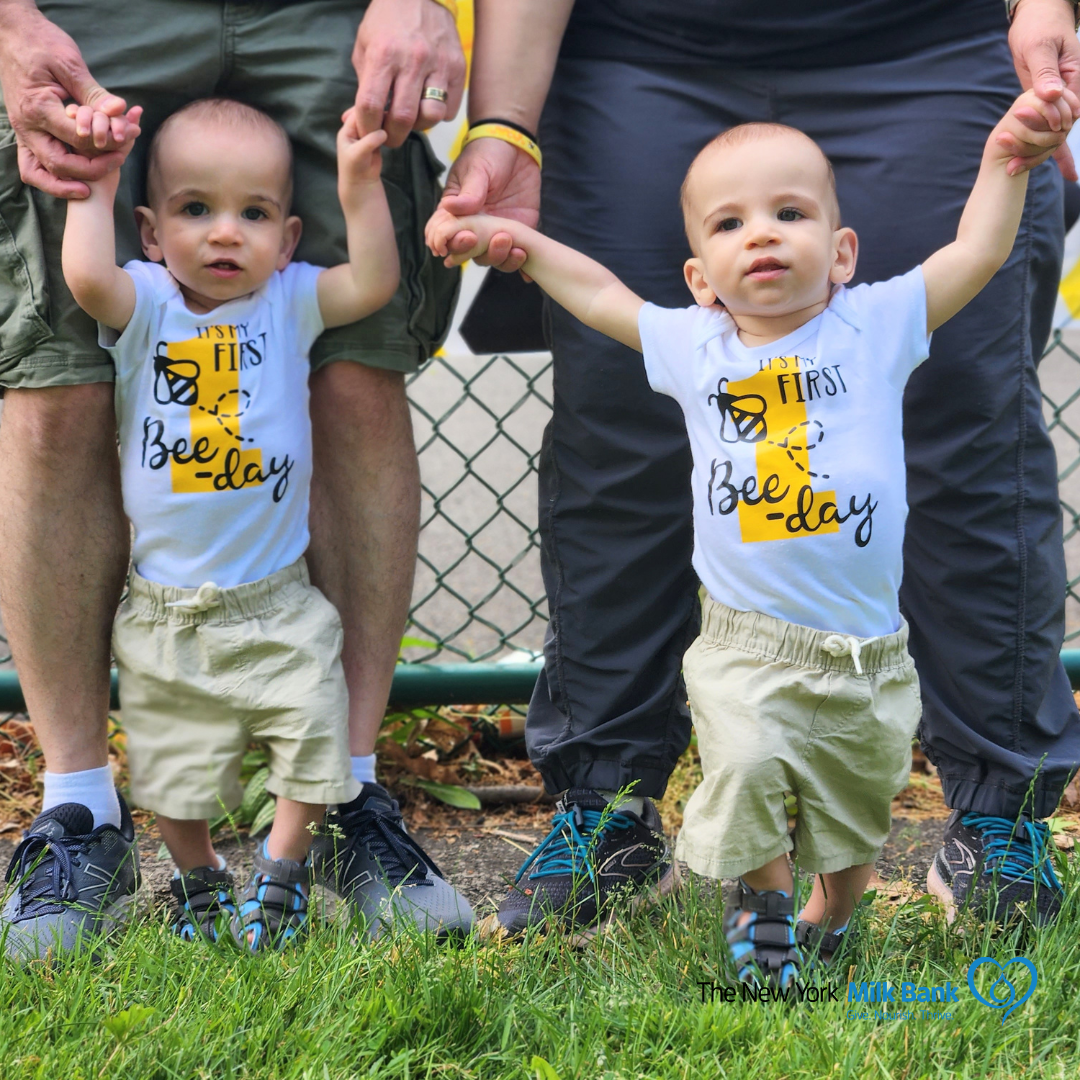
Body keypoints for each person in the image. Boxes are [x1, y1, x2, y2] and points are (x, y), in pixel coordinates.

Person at [437, 0, 1080, 937]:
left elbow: (975, 254)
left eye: (786, 220)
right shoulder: (686, 328)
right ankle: (607, 807)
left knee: (969, 413)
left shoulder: (879, 314)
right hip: (642, 45)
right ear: (701, 281)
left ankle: (999, 812)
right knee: (615, 427)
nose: (764, 235)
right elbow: (604, 299)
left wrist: (1039, 38)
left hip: (922, 38)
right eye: (738, 227)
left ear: (842, 253)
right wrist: (507, 144)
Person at [0, 0, 470, 957]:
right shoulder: (147, 302)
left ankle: (329, 825)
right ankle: (101, 825)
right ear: (149, 229)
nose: (224, 235)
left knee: (360, 380)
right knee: (53, 386)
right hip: (165, 604)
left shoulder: (292, 297)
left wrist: (358, 183)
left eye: (254, 216)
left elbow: (370, 286)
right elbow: (87, 283)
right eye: (196, 213)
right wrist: (93, 181)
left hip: (277, 598)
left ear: (287, 239)